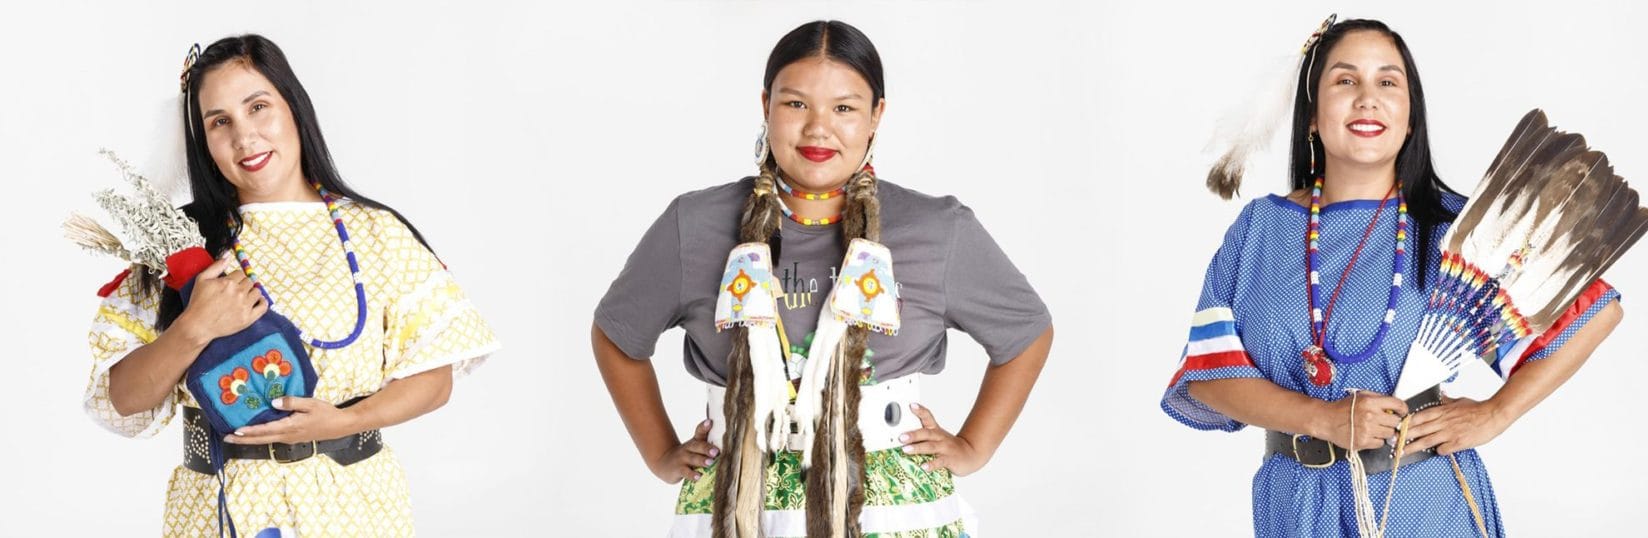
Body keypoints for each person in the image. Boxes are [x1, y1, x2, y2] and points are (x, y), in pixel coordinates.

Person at [1162, 17, 1624, 537]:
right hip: (1293, 504)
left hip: (1422, 501)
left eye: (1387, 82)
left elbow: (1594, 312)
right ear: (1311, 115)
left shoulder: (1456, 232)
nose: (1367, 98)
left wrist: (1496, 413)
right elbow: (1206, 377)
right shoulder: (1260, 230)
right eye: (1344, 80)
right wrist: (1321, 418)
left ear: (1409, 118)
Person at [593, 20, 1053, 537]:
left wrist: (973, 448)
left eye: (844, 108)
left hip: (889, 506)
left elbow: (1026, 333)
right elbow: (617, 334)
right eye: (795, 104)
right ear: (765, 105)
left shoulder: (936, 228)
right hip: (735, 503)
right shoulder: (695, 224)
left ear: (877, 114)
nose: (818, 129)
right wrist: (658, 453)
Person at [82, 34, 499, 536]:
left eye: (258, 107)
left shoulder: (376, 234)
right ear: (203, 142)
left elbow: (434, 379)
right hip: (218, 508)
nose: (245, 137)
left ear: (294, 107)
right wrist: (194, 326)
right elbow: (123, 398)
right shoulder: (177, 245)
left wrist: (341, 423)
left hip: (353, 509)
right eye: (219, 122)